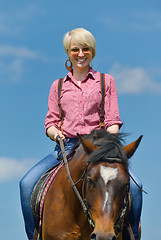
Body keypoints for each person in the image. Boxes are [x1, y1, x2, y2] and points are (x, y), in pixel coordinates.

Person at [20, 28, 142, 240]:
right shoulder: (57, 86)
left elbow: (113, 120)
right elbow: (50, 121)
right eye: (75, 49)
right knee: (26, 184)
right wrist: (55, 133)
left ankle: (131, 234)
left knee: (137, 188)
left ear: (92, 51)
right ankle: (34, 236)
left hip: (100, 148)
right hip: (67, 146)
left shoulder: (106, 81)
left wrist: (108, 142)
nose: (81, 54)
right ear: (68, 53)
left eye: (85, 49)